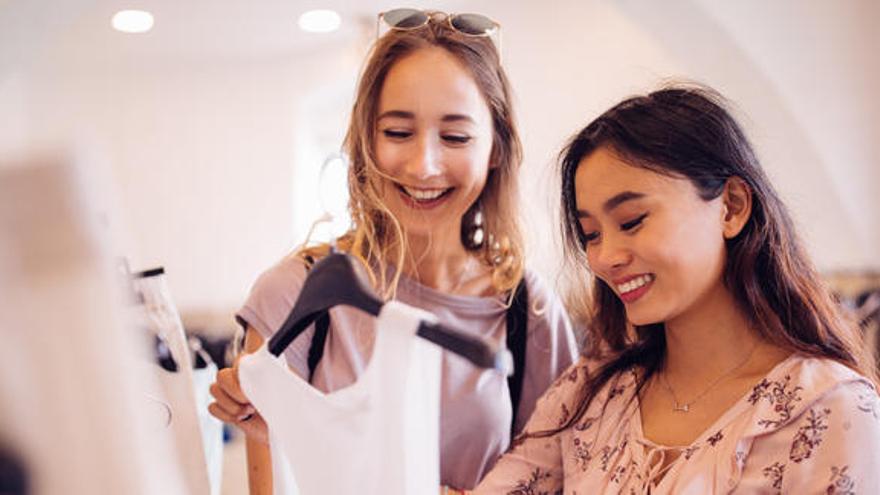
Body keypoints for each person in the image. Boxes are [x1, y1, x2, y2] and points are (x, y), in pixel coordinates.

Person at [207, 9, 578, 493]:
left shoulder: (532, 311)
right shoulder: (291, 295)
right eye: (398, 132)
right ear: (367, 140)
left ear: (495, 148)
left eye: (455, 136)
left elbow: (562, 477)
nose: (424, 166)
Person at [473, 85, 880, 493]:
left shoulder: (831, 408)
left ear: (732, 207)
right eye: (591, 234)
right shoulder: (593, 390)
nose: (605, 257)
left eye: (631, 221)